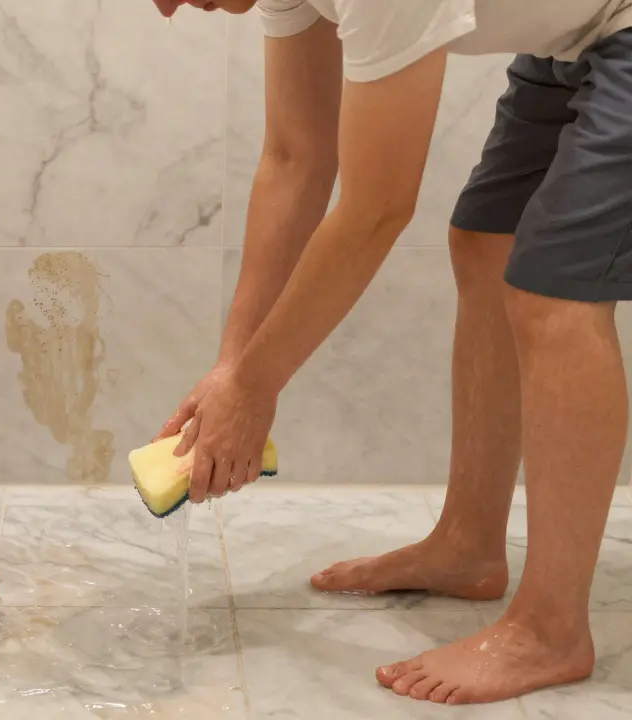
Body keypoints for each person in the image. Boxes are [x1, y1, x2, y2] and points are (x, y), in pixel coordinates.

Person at [153, 0, 632, 706]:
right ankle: (469, 545)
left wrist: (255, 387)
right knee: (486, 245)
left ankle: (552, 629)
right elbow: (296, 159)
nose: (165, 8)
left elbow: (377, 207)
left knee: (554, 294)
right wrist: (234, 364)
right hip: (577, 31)